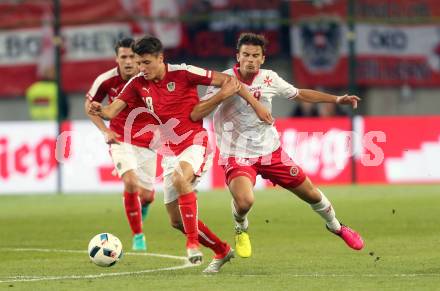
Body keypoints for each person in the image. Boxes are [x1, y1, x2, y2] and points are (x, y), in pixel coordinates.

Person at [88, 35, 272, 273]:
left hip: (195, 142)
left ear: (160, 59)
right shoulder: (136, 83)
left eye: (146, 63)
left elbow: (230, 81)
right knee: (176, 221)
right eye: (139, 63)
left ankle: (192, 243)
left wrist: (255, 105)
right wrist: (99, 109)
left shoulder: (184, 73)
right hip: (169, 151)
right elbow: (111, 112)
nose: (141, 68)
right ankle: (222, 249)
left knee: (179, 179)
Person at [192, 32, 364, 259]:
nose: (250, 60)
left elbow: (299, 94)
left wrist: (336, 99)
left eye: (255, 55)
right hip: (236, 153)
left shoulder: (270, 78)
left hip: (270, 152)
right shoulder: (222, 80)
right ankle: (241, 226)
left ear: (263, 58)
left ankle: (336, 226)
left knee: (311, 194)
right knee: (244, 201)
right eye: (246, 55)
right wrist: (221, 95)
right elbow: (198, 112)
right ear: (238, 56)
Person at [84, 38, 156, 251]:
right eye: (123, 57)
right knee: (131, 183)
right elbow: (89, 105)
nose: (128, 61)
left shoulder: (149, 77)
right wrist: (105, 131)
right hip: (120, 138)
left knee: (147, 195)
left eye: (132, 57)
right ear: (116, 58)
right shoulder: (106, 80)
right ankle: (138, 236)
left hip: (147, 140)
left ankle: (141, 204)